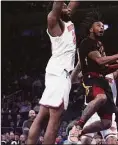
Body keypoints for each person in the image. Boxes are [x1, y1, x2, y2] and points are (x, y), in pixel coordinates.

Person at [69, 10, 118, 143]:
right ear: (90, 29)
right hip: (91, 78)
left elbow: (104, 68)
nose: (102, 27)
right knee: (101, 97)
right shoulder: (86, 43)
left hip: (102, 81)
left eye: (103, 26)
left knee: (107, 123)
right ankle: (78, 126)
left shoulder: (100, 45)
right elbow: (100, 61)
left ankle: (81, 131)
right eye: (98, 25)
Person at [26, 1, 79, 144]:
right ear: (57, 9)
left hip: (56, 71)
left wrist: (67, 7)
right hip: (60, 73)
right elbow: (57, 6)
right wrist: (59, 4)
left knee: (42, 115)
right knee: (54, 120)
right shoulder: (53, 21)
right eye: (63, 6)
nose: (67, 8)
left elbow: (73, 4)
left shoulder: (66, 20)